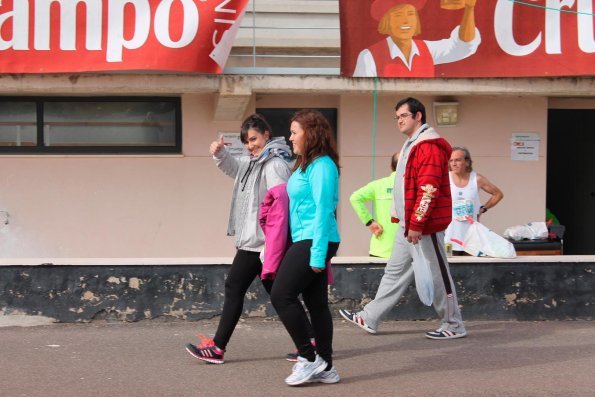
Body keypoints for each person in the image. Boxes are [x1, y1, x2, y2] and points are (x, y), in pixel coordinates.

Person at [340, 97, 466, 340]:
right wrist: (410, 223)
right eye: (397, 117)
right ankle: (370, 316)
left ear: (418, 116)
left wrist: (417, 224)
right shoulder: (413, 144)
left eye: (403, 116)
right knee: (394, 272)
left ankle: (454, 324)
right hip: (407, 225)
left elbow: (428, 189)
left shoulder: (427, 146)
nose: (399, 120)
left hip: (423, 227)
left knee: (438, 274)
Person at [185, 114, 294, 364]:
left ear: (267, 134)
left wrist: (271, 246)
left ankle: (218, 347)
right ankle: (310, 341)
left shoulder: (274, 164)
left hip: (260, 244)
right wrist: (220, 154)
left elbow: (281, 206)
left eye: (254, 139)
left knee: (234, 288)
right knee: (280, 296)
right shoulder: (254, 161)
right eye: (246, 141)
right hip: (253, 242)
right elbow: (234, 169)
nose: (250, 145)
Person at [270, 109, 341, 386]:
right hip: (306, 237)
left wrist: (317, 254)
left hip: (315, 238)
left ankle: (309, 358)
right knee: (316, 304)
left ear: (310, 134)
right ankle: (326, 367)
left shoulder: (322, 166)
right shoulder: (306, 164)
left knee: (281, 295)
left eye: (294, 132)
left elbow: (324, 211)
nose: (290, 138)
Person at [353, 0, 481, 77]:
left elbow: (463, 46)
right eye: (398, 15)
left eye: (410, 14)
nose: (405, 20)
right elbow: (362, 95)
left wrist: (469, 9)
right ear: (386, 22)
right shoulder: (369, 56)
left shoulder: (427, 50)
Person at [445, 146, 503, 255]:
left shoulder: (476, 179)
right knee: (450, 267)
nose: (453, 164)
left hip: (472, 234)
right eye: (451, 160)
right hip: (449, 234)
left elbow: (498, 194)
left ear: (467, 162)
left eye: (457, 160)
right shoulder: (444, 179)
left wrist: (484, 208)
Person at [349, 152, 400, 258]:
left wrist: (369, 222)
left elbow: (355, 198)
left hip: (381, 249)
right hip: (410, 251)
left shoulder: (378, 185)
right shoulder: (417, 186)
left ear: (391, 166)